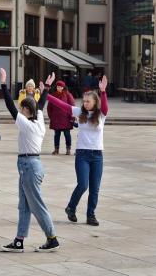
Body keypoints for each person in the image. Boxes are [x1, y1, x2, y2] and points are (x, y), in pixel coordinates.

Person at [0, 69, 59, 253]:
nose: (20, 110)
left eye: (23, 108)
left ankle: (52, 238)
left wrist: (3, 84)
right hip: (30, 165)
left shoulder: (27, 124)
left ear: (27, 111)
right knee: (24, 205)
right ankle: (19, 240)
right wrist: (47, 87)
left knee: (36, 205)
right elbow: (41, 104)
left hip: (29, 166)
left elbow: (10, 107)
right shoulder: (39, 119)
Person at [47, 75, 109, 226]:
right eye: (84, 101)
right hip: (82, 154)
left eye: (88, 101)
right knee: (83, 184)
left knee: (95, 188)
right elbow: (60, 104)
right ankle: (71, 207)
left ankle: (91, 215)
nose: (85, 103)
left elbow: (105, 107)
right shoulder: (78, 112)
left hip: (97, 156)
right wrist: (46, 91)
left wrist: (103, 91)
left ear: (95, 102)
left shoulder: (101, 115)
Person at [47, 80, 76, 155]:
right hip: (56, 119)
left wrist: (72, 117)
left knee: (67, 134)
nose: (59, 88)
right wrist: (51, 116)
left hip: (66, 119)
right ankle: (56, 149)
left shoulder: (68, 95)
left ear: (63, 87)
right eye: (58, 87)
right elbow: (49, 107)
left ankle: (68, 149)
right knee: (57, 135)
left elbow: (72, 106)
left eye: (60, 87)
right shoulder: (53, 95)